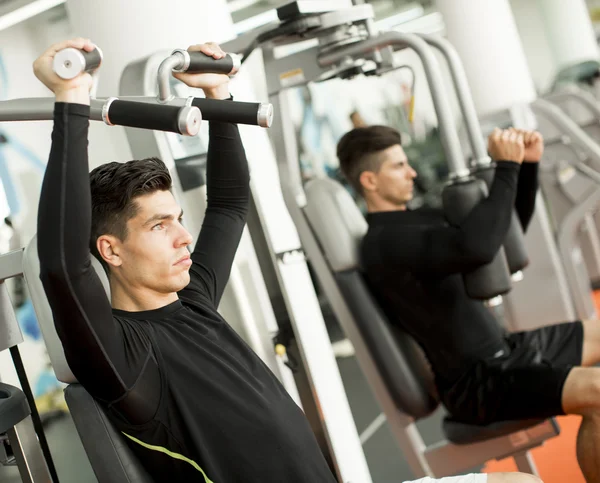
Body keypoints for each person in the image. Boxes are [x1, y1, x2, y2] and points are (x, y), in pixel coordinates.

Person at [33, 37, 541, 483]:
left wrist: (219, 97)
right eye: (159, 226)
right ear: (110, 250)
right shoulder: (120, 356)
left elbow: (231, 203)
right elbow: (62, 267)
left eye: (179, 219)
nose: (184, 237)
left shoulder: (194, 301)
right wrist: (70, 102)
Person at [337, 124, 600, 483]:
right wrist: (505, 168)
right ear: (369, 180)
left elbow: (501, 236)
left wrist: (527, 167)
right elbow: (476, 248)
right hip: (480, 384)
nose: (412, 172)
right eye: (398, 166)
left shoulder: (415, 221)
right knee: (598, 394)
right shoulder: (385, 243)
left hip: (507, 352)